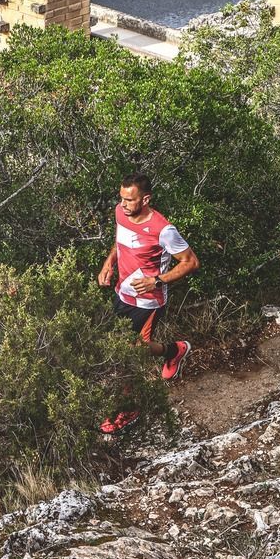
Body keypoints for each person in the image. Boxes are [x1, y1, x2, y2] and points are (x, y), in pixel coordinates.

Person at [97, 172, 199, 433]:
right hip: (123, 293)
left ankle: (128, 410)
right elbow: (120, 244)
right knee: (125, 347)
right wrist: (109, 263)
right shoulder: (122, 213)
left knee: (128, 354)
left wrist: (159, 280)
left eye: (129, 200)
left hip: (148, 302)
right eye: (121, 198)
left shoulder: (163, 230)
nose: (123, 205)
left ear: (146, 199)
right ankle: (174, 351)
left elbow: (191, 262)